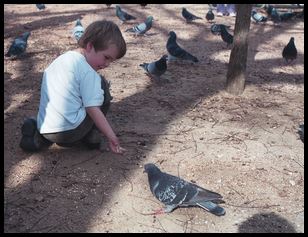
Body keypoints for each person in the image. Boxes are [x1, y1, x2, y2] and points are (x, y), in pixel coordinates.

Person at [19, 20, 127, 154]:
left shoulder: (61, 60)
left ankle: (38, 136)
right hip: (70, 132)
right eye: (106, 57)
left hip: (46, 127)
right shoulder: (89, 72)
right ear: (90, 46)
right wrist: (111, 136)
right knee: (102, 87)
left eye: (111, 60)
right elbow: (92, 109)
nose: (107, 64)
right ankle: (92, 134)